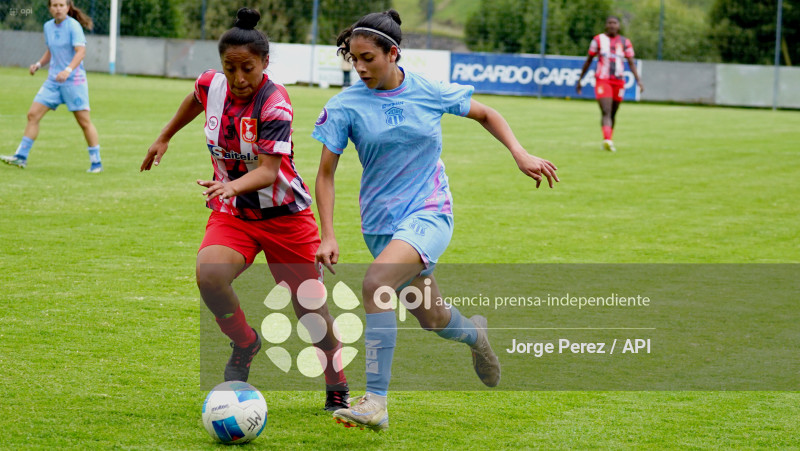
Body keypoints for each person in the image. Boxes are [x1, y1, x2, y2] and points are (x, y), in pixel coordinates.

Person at [312, 9, 559, 431]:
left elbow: (486, 114)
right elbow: (325, 174)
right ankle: (475, 335)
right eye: (354, 59)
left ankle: (375, 401)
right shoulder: (344, 106)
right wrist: (329, 233)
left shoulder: (428, 90)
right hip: (380, 225)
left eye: (368, 57)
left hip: (430, 212)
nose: (360, 67)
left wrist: (519, 152)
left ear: (393, 53)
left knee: (375, 284)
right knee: (432, 318)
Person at [140, 8, 349, 412]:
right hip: (235, 213)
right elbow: (195, 98)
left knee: (310, 309)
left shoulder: (275, 103)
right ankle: (245, 342)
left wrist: (230, 185)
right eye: (230, 68)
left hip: (286, 218)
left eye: (248, 69)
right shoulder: (212, 84)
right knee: (210, 275)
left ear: (265, 64)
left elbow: (270, 171)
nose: (238, 79)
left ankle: (336, 382)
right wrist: (164, 136)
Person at [1, 0, 102, 172]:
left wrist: (68, 70)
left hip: (73, 82)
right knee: (32, 115)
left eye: (61, 5)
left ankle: (96, 162)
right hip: (53, 82)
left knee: (84, 122)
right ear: (49, 8)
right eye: (54, 5)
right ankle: (21, 157)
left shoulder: (73, 26)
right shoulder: (48, 26)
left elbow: (81, 52)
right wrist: (39, 64)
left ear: (68, 7)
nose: (58, 9)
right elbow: (51, 51)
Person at [576, 15, 643, 152]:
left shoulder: (625, 42)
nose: (612, 25)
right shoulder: (598, 40)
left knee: (613, 113)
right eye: (610, 23)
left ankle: (608, 139)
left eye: (615, 23)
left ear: (619, 26)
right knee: (606, 110)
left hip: (619, 81)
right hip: (603, 79)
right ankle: (608, 140)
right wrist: (580, 79)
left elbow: (631, 62)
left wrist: (638, 81)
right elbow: (589, 60)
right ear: (606, 25)